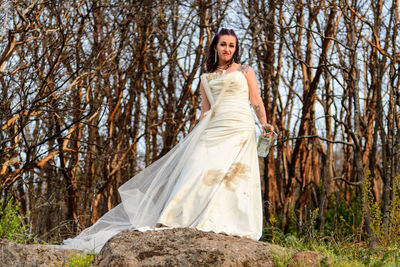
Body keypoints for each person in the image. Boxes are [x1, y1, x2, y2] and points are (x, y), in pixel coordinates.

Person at [54, 28, 275, 253]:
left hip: (239, 127)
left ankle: (229, 220)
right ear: (215, 47)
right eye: (223, 44)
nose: (227, 49)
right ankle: (180, 216)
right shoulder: (205, 78)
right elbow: (204, 112)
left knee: (234, 175)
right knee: (198, 168)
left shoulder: (245, 70)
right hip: (213, 128)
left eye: (232, 45)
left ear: (236, 49)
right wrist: (194, 137)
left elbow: (255, 99)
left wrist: (264, 124)